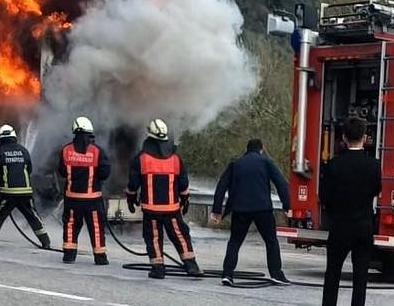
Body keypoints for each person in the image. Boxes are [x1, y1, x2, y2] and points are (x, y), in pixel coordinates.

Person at [311, 117, 381, 306]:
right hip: (363, 226)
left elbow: (325, 197)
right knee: (361, 276)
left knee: (333, 273)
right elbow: (376, 191)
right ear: (365, 138)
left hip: (340, 225)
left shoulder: (333, 165)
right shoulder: (373, 165)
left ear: (343, 138)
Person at [125, 118, 202, 279]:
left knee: (153, 237)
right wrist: (185, 199)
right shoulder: (175, 159)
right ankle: (191, 266)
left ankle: (158, 268)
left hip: (151, 209)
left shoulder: (141, 159)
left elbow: (133, 184)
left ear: (149, 138)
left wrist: (130, 199)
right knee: (180, 235)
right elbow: (183, 184)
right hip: (172, 209)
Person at [211, 139, 291, 286]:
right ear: (261, 149)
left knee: (235, 242)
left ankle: (227, 274)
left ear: (246, 149)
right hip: (262, 209)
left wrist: (217, 210)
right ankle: (276, 274)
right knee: (271, 241)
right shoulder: (266, 162)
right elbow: (281, 183)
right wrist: (287, 206)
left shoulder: (236, 164)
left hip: (240, 209)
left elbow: (221, 186)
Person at [0, 124, 51, 250]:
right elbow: (29, 169)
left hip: (7, 192)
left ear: (1, 137)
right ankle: (45, 241)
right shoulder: (23, 150)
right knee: (32, 216)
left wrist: (4, 182)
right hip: (25, 191)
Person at [58, 116, 111, 265]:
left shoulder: (66, 150)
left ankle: (68, 255)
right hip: (93, 199)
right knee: (96, 227)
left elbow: (61, 171)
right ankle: (100, 257)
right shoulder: (97, 151)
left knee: (70, 226)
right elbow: (105, 172)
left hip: (72, 198)